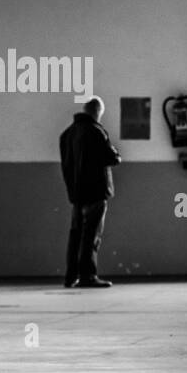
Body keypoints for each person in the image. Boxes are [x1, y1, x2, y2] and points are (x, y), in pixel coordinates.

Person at [59, 97, 120, 289]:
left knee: (75, 234)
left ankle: (71, 276)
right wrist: (116, 154)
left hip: (76, 193)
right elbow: (112, 157)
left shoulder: (66, 134)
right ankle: (88, 275)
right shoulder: (96, 131)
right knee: (92, 234)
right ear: (97, 112)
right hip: (96, 191)